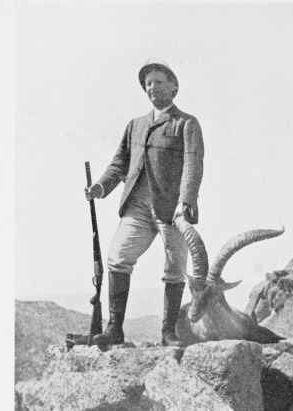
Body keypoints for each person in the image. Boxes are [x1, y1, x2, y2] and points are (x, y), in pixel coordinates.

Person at [85, 58, 204, 348]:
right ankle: (114, 329)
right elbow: (120, 163)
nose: (152, 87)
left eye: (158, 82)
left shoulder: (186, 123)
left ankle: (168, 333)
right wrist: (101, 186)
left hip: (171, 209)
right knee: (116, 258)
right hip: (136, 206)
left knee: (175, 268)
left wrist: (186, 202)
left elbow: (193, 164)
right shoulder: (135, 125)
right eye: (148, 83)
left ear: (173, 87)